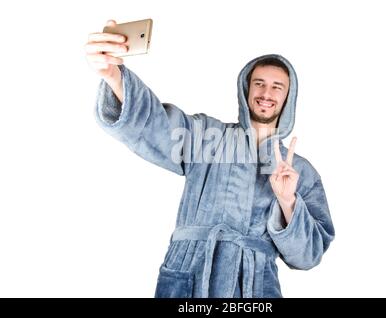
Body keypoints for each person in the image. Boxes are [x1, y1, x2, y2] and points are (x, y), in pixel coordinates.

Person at [85, 20, 335, 298]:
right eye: (259, 83)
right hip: (188, 280)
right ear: (246, 90)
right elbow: (155, 126)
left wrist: (288, 202)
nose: (266, 93)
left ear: (289, 97)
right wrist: (114, 77)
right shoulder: (206, 136)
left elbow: (309, 255)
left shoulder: (300, 171)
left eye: (277, 87)